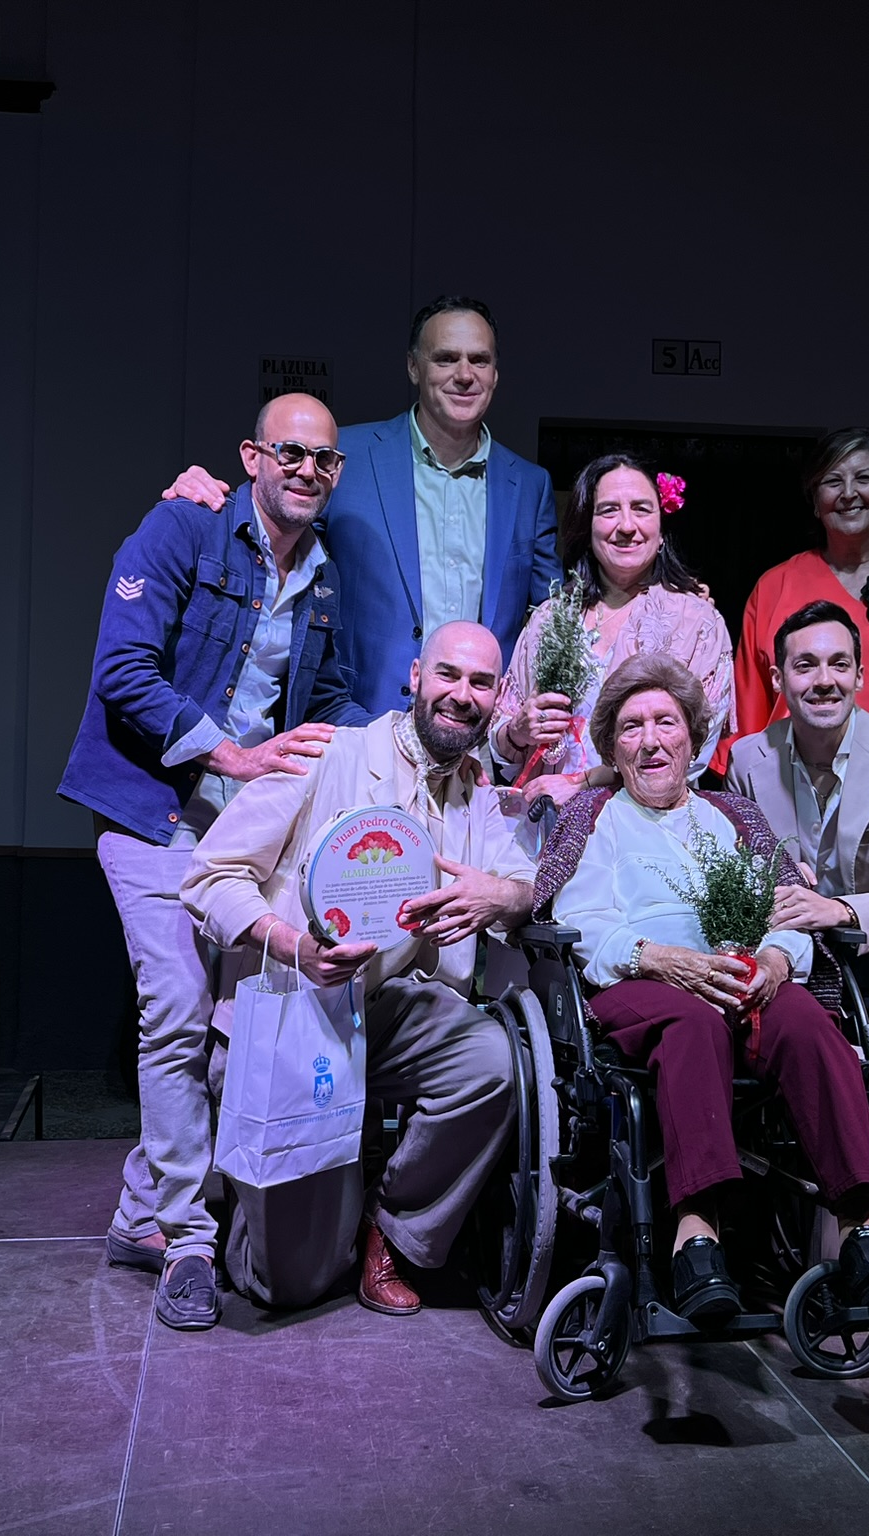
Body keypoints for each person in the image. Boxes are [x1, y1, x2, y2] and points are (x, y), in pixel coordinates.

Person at [59, 393, 371, 1331]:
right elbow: (123, 671)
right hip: (152, 816)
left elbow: (326, 698)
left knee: (234, 1028)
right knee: (177, 1013)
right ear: (251, 456)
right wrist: (231, 756)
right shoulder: (182, 529)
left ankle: (138, 1215)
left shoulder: (323, 573)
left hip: (245, 835)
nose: (307, 470)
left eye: (323, 459)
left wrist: (394, 735)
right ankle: (187, 1242)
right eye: (290, 452)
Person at [537, 652, 869, 1326]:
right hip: (638, 982)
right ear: (611, 749)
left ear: (692, 738)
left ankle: (862, 1227)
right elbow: (580, 924)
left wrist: (776, 958)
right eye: (630, 727)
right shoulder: (598, 819)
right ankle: (696, 1235)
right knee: (693, 1023)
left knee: (804, 1020)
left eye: (665, 722)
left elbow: (787, 909)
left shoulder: (731, 817)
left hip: (739, 977)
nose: (650, 740)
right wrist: (659, 958)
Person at [180, 620, 532, 1315]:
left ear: (498, 699)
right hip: (300, 1012)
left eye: (481, 683)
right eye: (448, 675)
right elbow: (209, 876)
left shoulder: (477, 790)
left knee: (495, 1061)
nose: (462, 695)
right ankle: (270, 1213)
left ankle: (390, 1229)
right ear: (416, 677)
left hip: (395, 1010)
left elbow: (522, 885)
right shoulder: (326, 754)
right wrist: (295, 946)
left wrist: (500, 896)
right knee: (292, 1285)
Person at [162, 296, 559, 714]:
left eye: (479, 360)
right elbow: (266, 530)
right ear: (414, 367)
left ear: (495, 373)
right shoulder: (339, 457)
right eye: (446, 358)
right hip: (359, 720)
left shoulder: (530, 486)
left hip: (481, 726)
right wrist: (209, 500)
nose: (464, 375)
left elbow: (552, 622)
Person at [725, 600, 869, 1072]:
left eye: (839, 664)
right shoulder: (747, 761)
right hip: (779, 961)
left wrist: (840, 910)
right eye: (805, 665)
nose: (824, 680)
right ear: (778, 679)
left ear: (859, 676)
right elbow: (737, 882)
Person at [491, 453, 732, 805]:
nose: (627, 525)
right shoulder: (550, 618)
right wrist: (518, 730)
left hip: (648, 820)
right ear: (587, 527)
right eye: (608, 510)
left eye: (641, 509)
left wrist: (584, 784)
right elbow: (500, 735)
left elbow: (695, 747)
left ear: (661, 531)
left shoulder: (698, 623)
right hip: (544, 816)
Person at [717, 427, 869, 774]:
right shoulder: (774, 585)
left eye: (864, 478)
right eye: (832, 481)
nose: (848, 493)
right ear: (815, 500)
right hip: (791, 782)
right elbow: (749, 705)